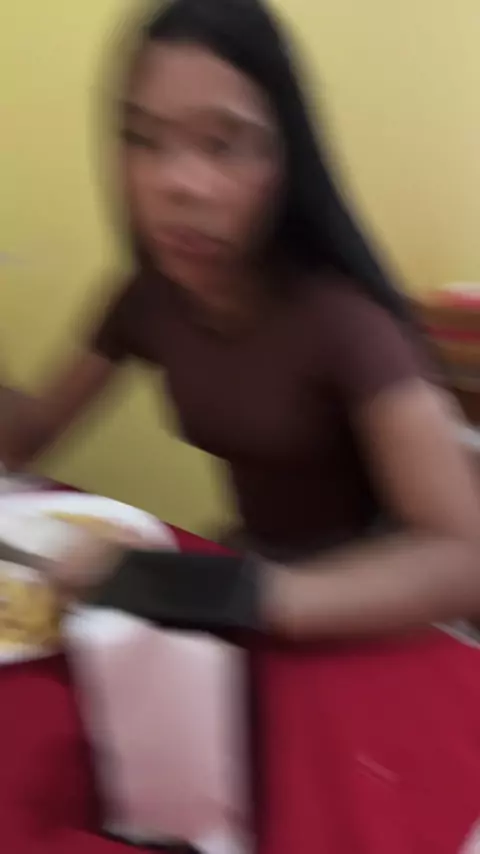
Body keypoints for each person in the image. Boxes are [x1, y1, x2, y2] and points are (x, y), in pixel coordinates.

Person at [2, 0, 480, 638]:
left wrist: (216, 589)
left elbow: (461, 560)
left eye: (222, 143)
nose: (178, 183)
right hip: (254, 584)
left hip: (374, 618)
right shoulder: (148, 301)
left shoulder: (343, 323)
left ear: (285, 162)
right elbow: (24, 438)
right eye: (143, 139)